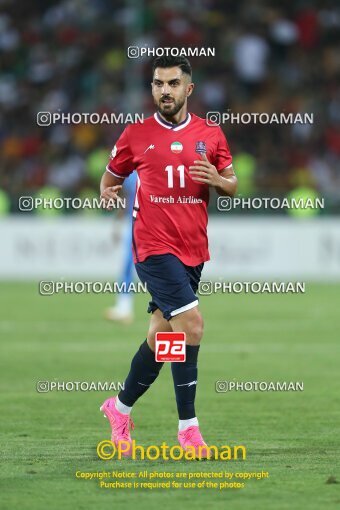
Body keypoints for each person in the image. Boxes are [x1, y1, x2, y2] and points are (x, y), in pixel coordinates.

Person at [99, 55, 237, 458]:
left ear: (187, 89)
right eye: (158, 84)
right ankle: (188, 430)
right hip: (153, 247)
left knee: (163, 338)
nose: (164, 90)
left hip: (193, 249)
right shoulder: (136, 134)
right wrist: (107, 193)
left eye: (173, 83)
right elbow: (110, 179)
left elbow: (232, 183)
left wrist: (219, 181)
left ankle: (118, 408)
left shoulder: (210, 135)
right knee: (191, 326)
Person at [104, 172, 137, 324]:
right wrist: (118, 222)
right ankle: (124, 307)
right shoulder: (131, 173)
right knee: (128, 265)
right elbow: (125, 199)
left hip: (150, 224)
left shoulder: (153, 164)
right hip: (133, 224)